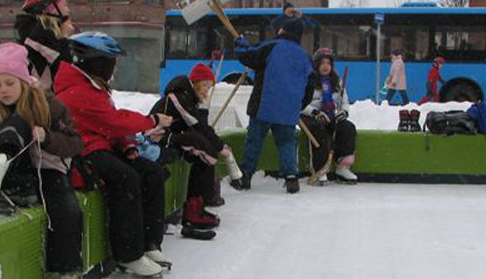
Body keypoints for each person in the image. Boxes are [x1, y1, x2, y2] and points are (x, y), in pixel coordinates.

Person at [0, 43, 85, 279]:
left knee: (67, 212)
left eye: (9, 83)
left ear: (23, 80)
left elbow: (75, 143)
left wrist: (47, 137)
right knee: (13, 126)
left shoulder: (50, 105)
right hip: (17, 171)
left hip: (47, 169)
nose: (3, 90)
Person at [53, 32, 174, 277]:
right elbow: (112, 121)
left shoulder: (91, 86)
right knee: (125, 177)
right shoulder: (77, 91)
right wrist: (151, 120)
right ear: (98, 62)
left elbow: (107, 126)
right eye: (112, 62)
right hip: (82, 153)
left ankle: (150, 242)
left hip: (101, 147)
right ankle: (128, 254)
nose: (114, 68)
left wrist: (125, 145)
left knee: (151, 172)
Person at [151, 64, 243, 235]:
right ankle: (194, 210)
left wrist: (219, 145)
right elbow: (197, 125)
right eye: (206, 86)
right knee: (205, 151)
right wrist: (220, 148)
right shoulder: (178, 97)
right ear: (196, 82)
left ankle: (196, 206)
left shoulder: (187, 98)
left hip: (170, 135)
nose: (206, 92)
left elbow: (201, 126)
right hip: (158, 137)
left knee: (203, 151)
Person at [233, 17, 313, 193]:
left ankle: (245, 176)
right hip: (288, 109)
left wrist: (240, 43)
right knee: (286, 143)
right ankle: (291, 178)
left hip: (264, 104)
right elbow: (309, 88)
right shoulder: (305, 56)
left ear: (283, 30)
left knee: (254, 140)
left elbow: (249, 55)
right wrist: (297, 106)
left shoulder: (272, 46)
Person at [301, 48, 358, 184]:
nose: (326, 66)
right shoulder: (308, 81)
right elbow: (300, 103)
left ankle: (342, 166)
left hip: (330, 114)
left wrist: (343, 112)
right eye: (322, 63)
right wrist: (314, 112)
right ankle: (319, 169)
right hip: (310, 116)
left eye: (328, 63)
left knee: (347, 127)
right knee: (319, 129)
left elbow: (344, 101)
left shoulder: (336, 82)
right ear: (316, 65)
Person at [14, 0, 75, 92]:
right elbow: (69, 68)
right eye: (65, 5)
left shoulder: (40, 34)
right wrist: (65, 39)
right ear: (49, 8)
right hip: (41, 104)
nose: (68, 10)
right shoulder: (40, 37)